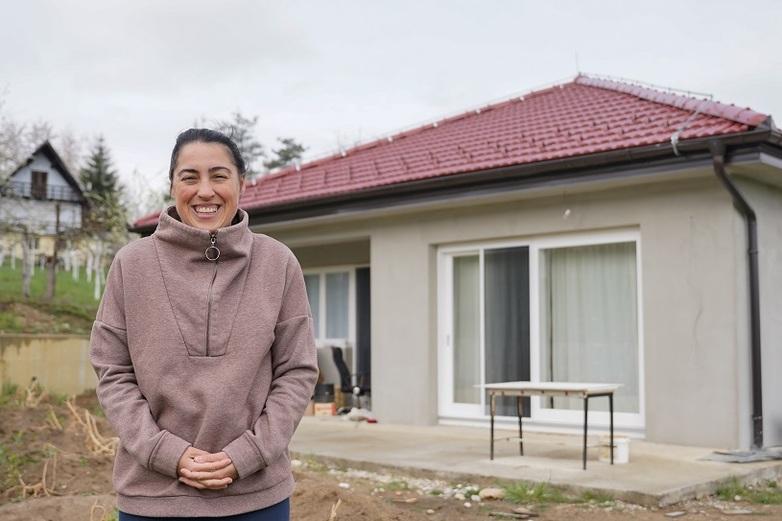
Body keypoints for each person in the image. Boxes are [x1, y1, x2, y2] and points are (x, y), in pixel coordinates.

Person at [89, 128, 318, 520]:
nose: (205, 191)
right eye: (190, 177)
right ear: (173, 185)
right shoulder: (132, 265)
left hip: (257, 495)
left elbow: (297, 371)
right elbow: (112, 372)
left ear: (241, 184)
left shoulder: (277, 262)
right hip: (152, 496)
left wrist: (248, 454)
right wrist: (165, 453)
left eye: (219, 176)